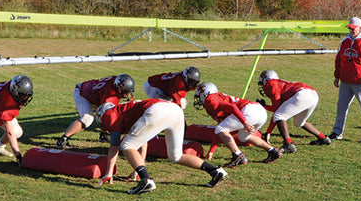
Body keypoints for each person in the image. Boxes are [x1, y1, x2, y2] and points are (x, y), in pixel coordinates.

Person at [96, 98, 228, 193]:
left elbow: (114, 147)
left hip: (158, 110)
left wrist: (108, 173)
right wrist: (137, 169)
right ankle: (215, 171)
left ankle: (146, 180)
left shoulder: (109, 115)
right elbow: (143, 143)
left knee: (126, 145)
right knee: (176, 156)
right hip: (174, 110)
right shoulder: (126, 111)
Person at [193, 82, 283, 165]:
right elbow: (219, 131)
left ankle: (238, 156)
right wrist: (211, 151)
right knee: (243, 136)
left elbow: (232, 107)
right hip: (260, 111)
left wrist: (245, 122)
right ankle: (273, 151)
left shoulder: (210, 100)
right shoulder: (216, 97)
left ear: (204, 93)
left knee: (221, 129)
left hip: (249, 111)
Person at [257, 69, 332, 152]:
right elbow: (278, 110)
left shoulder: (271, 83)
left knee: (279, 116)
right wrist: (268, 132)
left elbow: (276, 110)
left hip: (302, 94)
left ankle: (288, 144)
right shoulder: (279, 84)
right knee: (299, 122)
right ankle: (323, 138)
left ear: (266, 79)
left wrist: (264, 106)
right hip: (312, 94)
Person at [330, 17, 361, 143]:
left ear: (359, 28)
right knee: (341, 107)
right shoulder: (345, 41)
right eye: (350, 28)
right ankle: (337, 132)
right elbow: (338, 59)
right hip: (345, 81)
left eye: (353, 28)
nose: (351, 31)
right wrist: (337, 76)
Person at [54, 74, 135, 149]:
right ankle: (62, 140)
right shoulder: (109, 95)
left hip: (94, 94)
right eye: (125, 92)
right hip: (82, 93)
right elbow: (105, 114)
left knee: (108, 113)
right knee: (87, 118)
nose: (127, 94)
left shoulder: (116, 80)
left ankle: (105, 135)